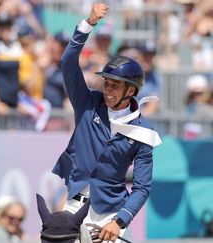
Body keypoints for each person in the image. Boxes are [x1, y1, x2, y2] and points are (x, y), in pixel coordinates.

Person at [52, 3, 162, 243]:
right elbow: (68, 62)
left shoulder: (144, 132)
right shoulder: (87, 102)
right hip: (73, 206)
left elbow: (142, 187)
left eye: (115, 85)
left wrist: (120, 220)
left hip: (112, 214)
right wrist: (88, 24)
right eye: (106, 83)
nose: (107, 89)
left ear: (130, 90)